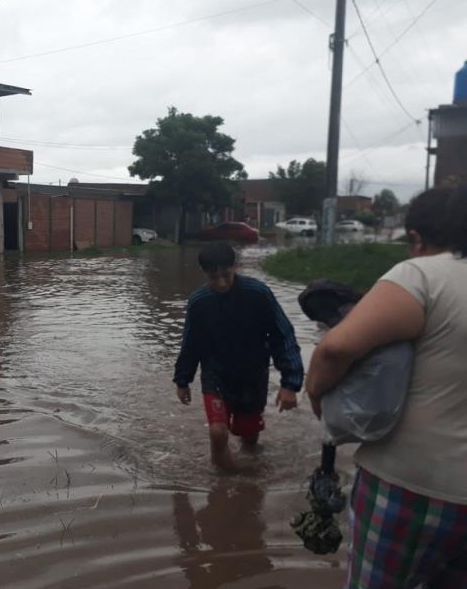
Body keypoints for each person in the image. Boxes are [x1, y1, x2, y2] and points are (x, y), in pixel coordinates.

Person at [306, 186, 467, 588]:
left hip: (412, 487)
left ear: (416, 238)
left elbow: (336, 349)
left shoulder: (422, 274)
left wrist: (314, 391)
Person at [173, 242, 304, 470]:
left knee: (250, 438)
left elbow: (282, 335)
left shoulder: (258, 293)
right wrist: (182, 380)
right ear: (204, 274)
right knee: (217, 431)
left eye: (226, 275)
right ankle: (221, 487)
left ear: (235, 266)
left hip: (252, 375)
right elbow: (191, 343)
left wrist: (290, 383)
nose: (221, 283)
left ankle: (248, 479)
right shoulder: (199, 302)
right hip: (215, 373)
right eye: (214, 278)